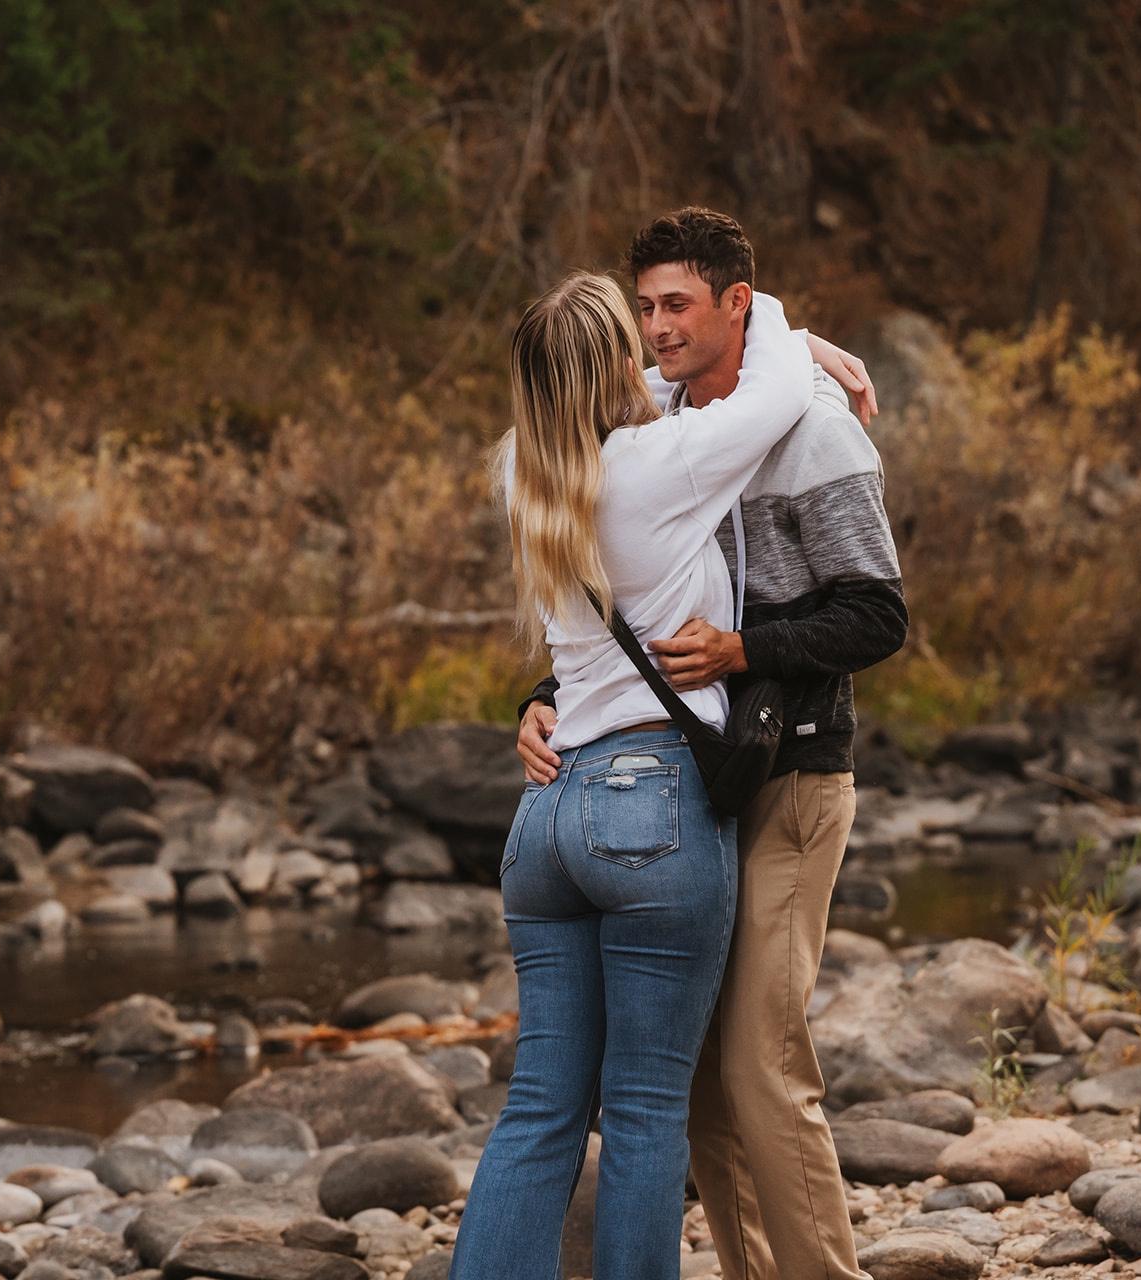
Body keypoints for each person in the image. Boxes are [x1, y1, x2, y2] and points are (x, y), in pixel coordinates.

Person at [517, 209, 907, 1280]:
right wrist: (547, 695)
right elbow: (623, 590)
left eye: (677, 305)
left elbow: (878, 615)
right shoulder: (657, 419)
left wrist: (745, 649)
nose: (656, 329)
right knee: (692, 1078)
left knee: (760, 1064)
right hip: (689, 790)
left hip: (793, 776)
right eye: (644, 308)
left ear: (737, 303)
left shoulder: (813, 430)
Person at [449, 271, 825, 1280]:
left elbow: (644, 397)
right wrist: (781, 322)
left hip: (546, 812)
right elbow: (771, 394)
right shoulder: (661, 464)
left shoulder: (523, 468)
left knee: (540, 1106)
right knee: (647, 1107)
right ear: (620, 360)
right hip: (649, 810)